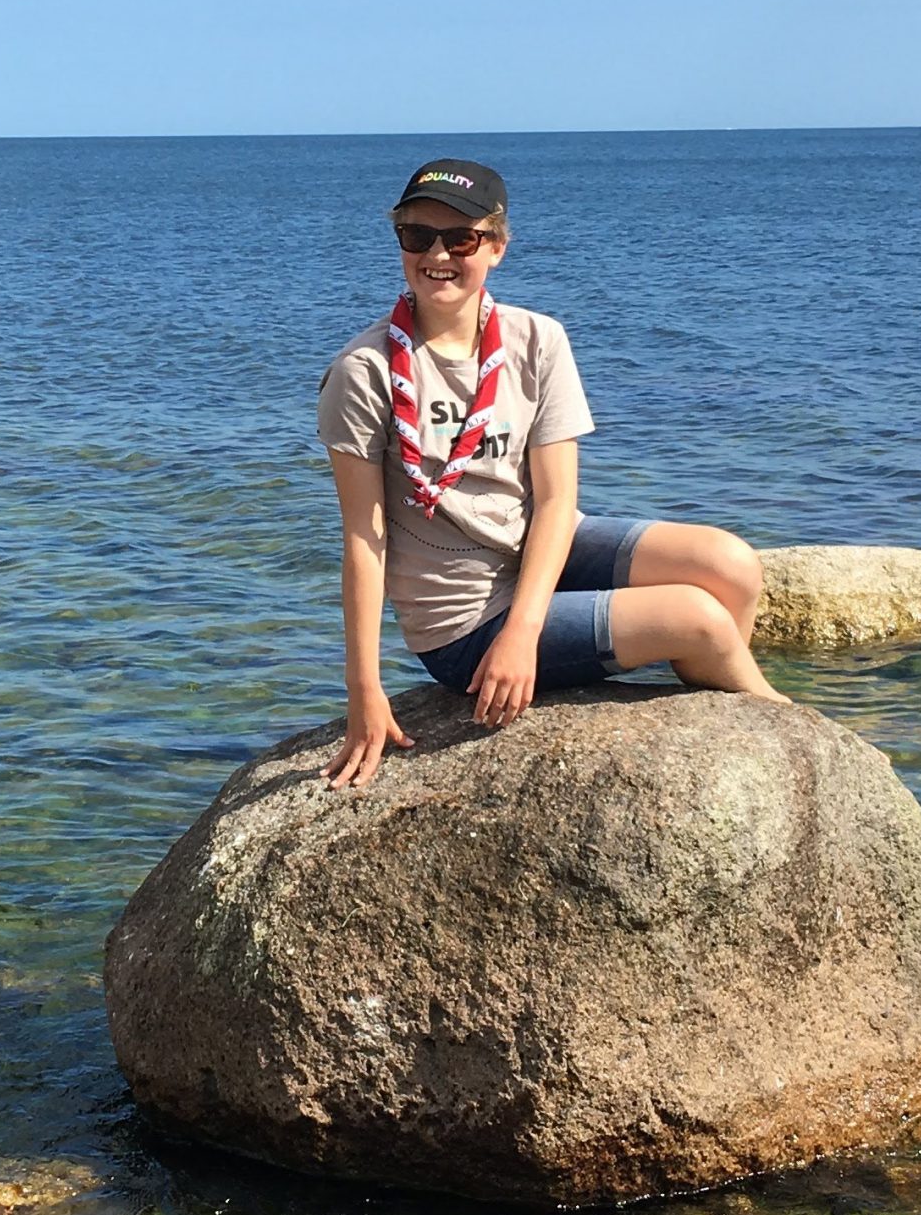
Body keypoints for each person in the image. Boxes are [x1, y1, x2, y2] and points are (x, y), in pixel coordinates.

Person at [316, 156, 776, 790]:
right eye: (417, 236)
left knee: (732, 565)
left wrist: (526, 631)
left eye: (461, 238)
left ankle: (719, 723)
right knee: (698, 618)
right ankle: (782, 723)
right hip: (463, 619)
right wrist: (364, 691)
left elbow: (558, 502)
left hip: (535, 552)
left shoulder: (537, 339)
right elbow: (363, 541)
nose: (438, 255)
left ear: (496, 247)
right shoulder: (364, 372)